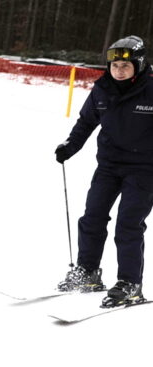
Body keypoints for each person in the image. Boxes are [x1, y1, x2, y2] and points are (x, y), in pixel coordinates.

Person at [55, 35, 152, 308]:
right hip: (109, 165)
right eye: (114, 66)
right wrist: (70, 147)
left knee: (128, 225)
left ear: (139, 65)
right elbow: (86, 122)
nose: (119, 71)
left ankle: (130, 283)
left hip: (144, 169)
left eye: (125, 66)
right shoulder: (102, 89)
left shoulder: (150, 89)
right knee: (93, 217)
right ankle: (88, 272)